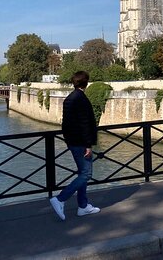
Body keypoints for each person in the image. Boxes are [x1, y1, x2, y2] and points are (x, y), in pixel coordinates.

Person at [49, 71, 100, 221]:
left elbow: (66, 123)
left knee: (82, 174)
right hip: (81, 143)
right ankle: (60, 199)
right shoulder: (81, 99)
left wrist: (68, 139)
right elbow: (84, 124)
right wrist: (88, 145)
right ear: (87, 83)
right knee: (86, 174)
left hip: (72, 141)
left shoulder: (69, 98)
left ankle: (83, 206)